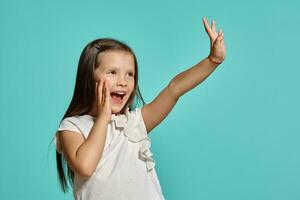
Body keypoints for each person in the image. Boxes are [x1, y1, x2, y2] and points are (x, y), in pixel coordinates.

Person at [52, 16, 226, 200]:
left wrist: (212, 60)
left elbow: (175, 89)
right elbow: (85, 166)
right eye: (112, 72)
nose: (122, 82)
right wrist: (103, 118)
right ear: (89, 77)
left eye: (130, 74)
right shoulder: (72, 127)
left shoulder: (133, 123)